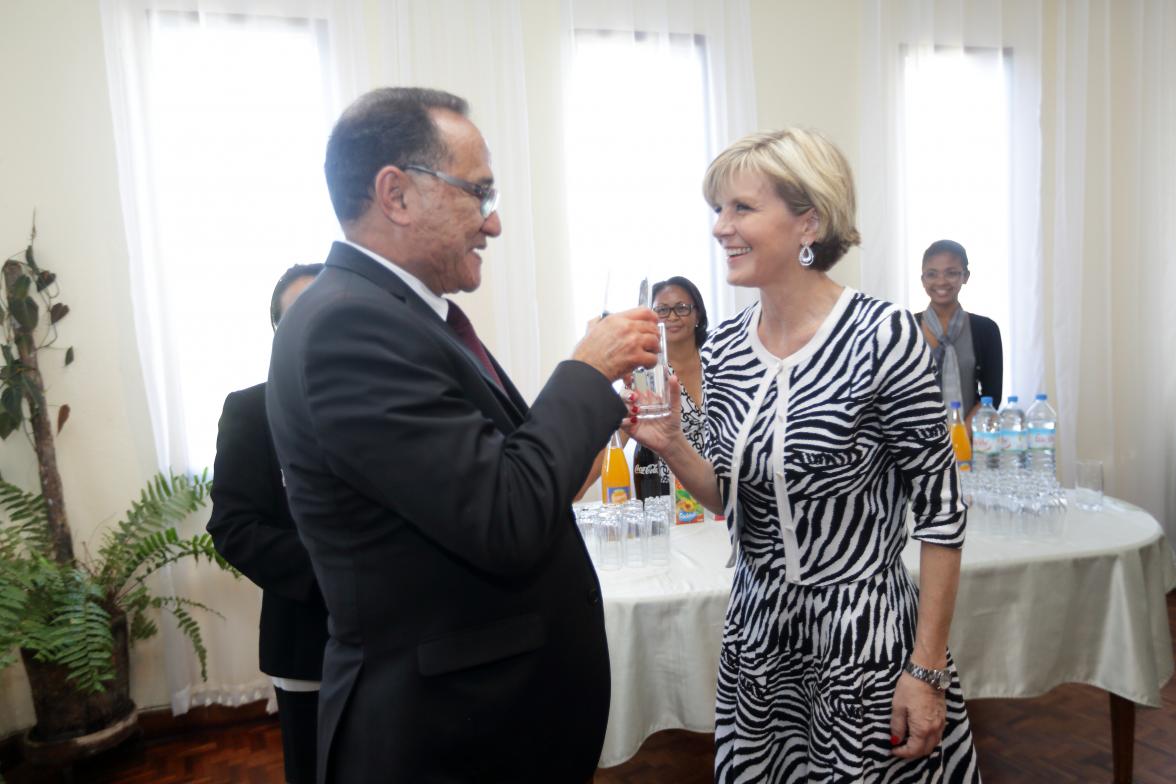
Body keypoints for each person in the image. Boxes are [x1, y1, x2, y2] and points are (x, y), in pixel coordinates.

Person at [265, 87, 659, 783]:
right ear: (396, 194)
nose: (495, 222)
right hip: (442, 735)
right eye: (478, 193)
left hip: (481, 722)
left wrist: (572, 442)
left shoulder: (399, 315)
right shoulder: (347, 327)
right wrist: (585, 371)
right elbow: (502, 517)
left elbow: (496, 480)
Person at [627, 128, 980, 782]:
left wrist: (925, 669)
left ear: (808, 221)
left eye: (740, 208)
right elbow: (732, 497)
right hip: (761, 634)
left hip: (864, 633)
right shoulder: (727, 345)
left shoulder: (885, 336)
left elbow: (940, 515)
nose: (720, 228)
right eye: (717, 210)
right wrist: (672, 442)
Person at [207, 262, 328, 784]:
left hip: (402, 640)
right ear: (280, 335)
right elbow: (233, 526)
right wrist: (336, 571)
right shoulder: (251, 411)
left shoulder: (390, 404)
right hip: (306, 637)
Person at [915, 239, 1003, 425]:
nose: (941, 281)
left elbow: (991, 396)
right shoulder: (905, 328)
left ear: (965, 276)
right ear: (923, 280)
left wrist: (959, 436)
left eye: (951, 273)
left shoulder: (986, 329)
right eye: (932, 274)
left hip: (969, 440)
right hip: (916, 443)